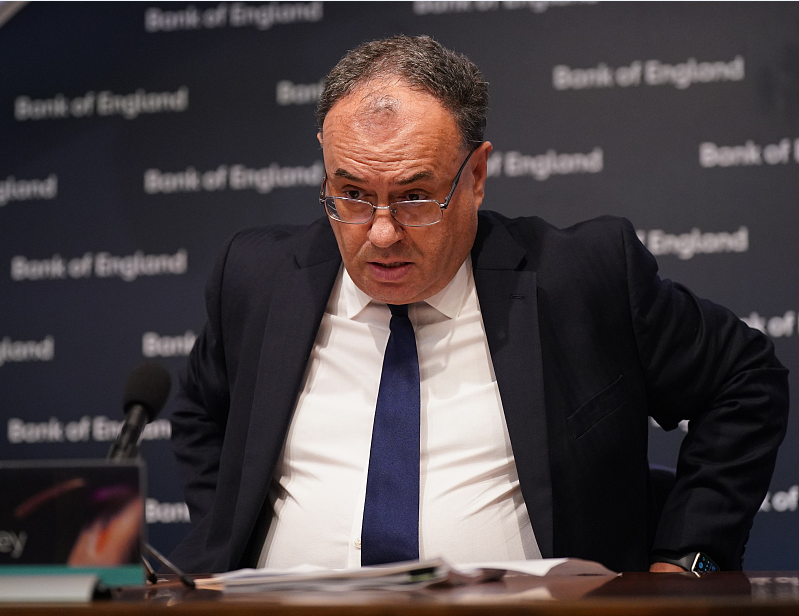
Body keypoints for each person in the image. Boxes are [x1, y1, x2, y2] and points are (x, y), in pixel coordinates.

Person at [169, 35, 789, 574]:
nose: (381, 232)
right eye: (351, 194)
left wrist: (688, 559)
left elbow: (745, 379)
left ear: (475, 176)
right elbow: (202, 412)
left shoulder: (583, 277)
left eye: (415, 196)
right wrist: (224, 540)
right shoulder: (257, 278)